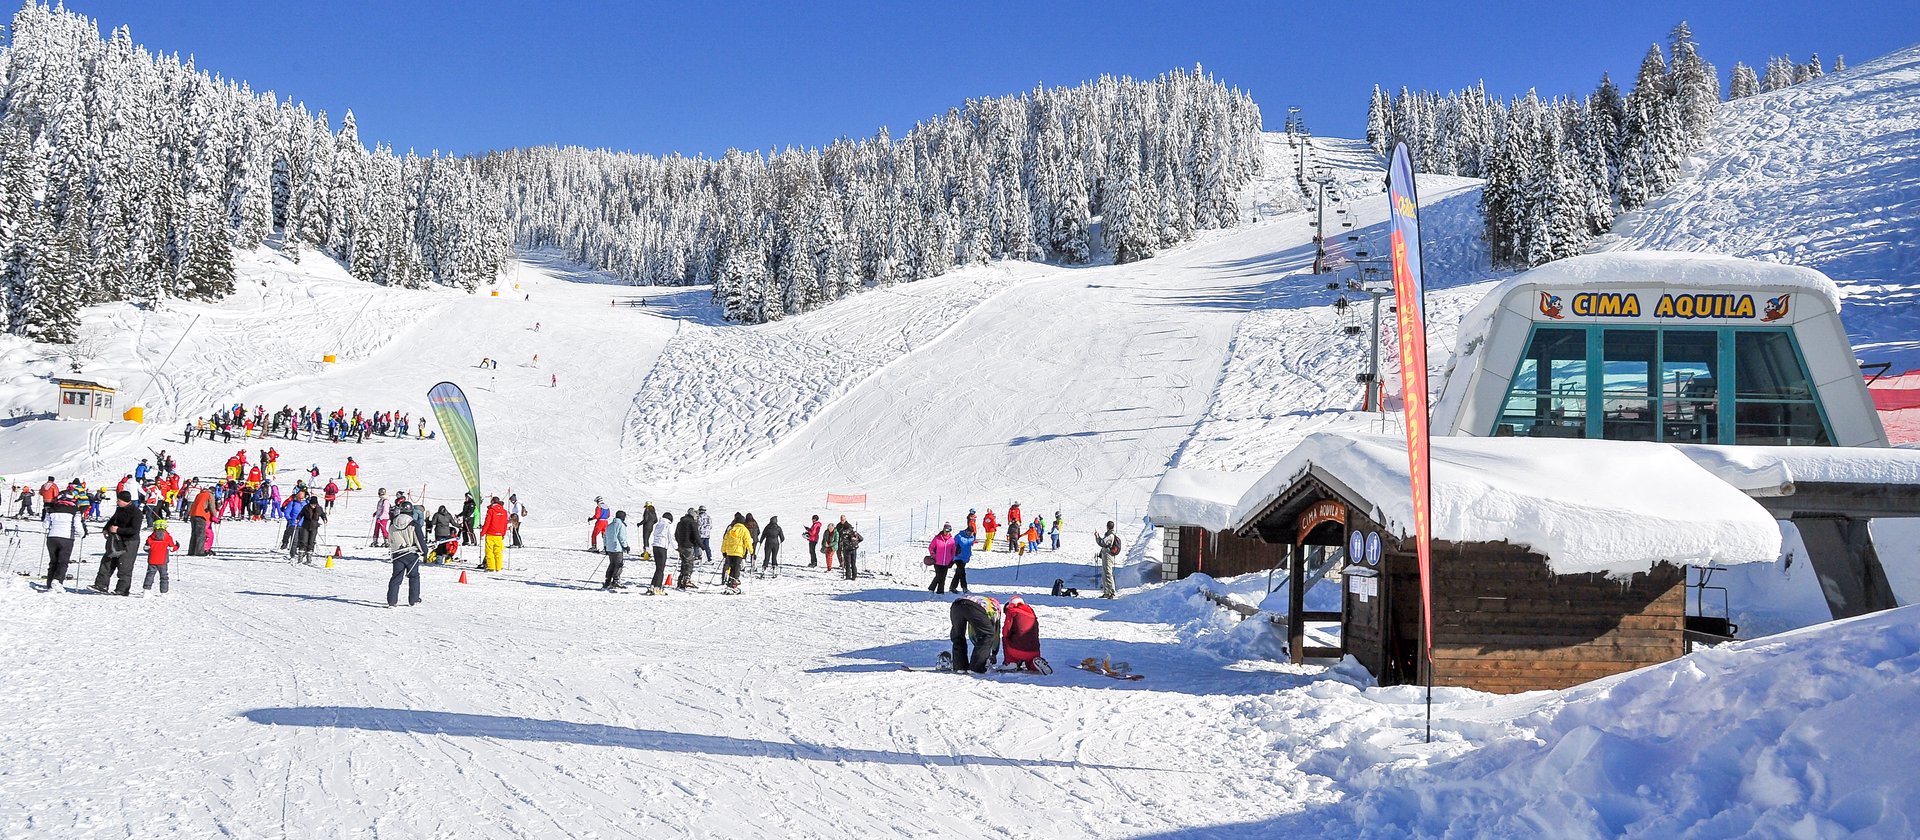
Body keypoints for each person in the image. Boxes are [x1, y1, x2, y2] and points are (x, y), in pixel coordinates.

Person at [92, 490, 141, 595]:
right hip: (115, 540)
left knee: (125, 565)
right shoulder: (119, 509)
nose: (117, 502)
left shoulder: (136, 512)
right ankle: (101, 585)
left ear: (126, 501)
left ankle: (122, 589)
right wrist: (106, 528)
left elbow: (134, 530)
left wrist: (118, 530)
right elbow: (112, 520)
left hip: (130, 542)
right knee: (107, 560)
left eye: (119, 500)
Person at [386, 499, 429, 608]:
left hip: (397, 554)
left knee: (396, 578)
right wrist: (424, 551)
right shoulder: (413, 524)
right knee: (414, 576)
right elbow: (419, 539)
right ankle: (413, 600)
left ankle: (392, 601)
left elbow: (390, 538)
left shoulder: (393, 523)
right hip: (411, 554)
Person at [42, 490, 85, 592]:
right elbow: (78, 526)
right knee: (63, 562)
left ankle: (50, 584)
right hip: (66, 538)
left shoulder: (51, 509)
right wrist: (82, 534)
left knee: (53, 561)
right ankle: (57, 581)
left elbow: (45, 525)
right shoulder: (75, 510)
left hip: (52, 538)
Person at [949, 595, 1002, 674]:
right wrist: (994, 653)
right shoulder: (995, 609)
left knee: (958, 636)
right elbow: (995, 633)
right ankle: (976, 667)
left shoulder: (985, 601)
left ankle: (960, 666)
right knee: (988, 635)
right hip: (972, 607)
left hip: (956, 605)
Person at [1000, 597, 1048, 672]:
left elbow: (1006, 631)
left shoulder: (1012, 611)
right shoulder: (1031, 613)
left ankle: (1010, 662)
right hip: (1034, 650)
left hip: (1017, 650)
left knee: (1005, 638)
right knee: (1030, 662)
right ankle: (1034, 664)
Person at [141, 519, 180, 595]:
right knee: (164, 576)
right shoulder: (168, 537)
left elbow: (146, 548)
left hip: (152, 560)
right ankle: (164, 592)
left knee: (150, 574)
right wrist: (177, 546)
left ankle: (146, 590)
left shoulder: (150, 537)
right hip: (163, 561)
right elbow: (172, 548)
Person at [720, 513, 752, 590]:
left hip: (729, 552)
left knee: (732, 567)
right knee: (737, 568)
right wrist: (751, 551)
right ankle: (734, 583)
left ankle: (730, 582)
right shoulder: (744, 530)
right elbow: (748, 541)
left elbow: (725, 540)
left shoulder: (731, 529)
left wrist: (723, 551)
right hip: (738, 552)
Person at [601, 510, 629, 590]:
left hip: (610, 548)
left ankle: (608, 580)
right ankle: (616, 581)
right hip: (617, 548)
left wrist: (605, 546)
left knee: (612, 564)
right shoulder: (621, 525)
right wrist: (626, 546)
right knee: (619, 564)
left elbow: (605, 536)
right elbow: (621, 537)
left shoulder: (610, 525)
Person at [674, 507, 700, 591]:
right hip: (689, 546)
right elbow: (696, 535)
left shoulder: (680, 523)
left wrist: (678, 543)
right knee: (689, 562)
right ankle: (686, 580)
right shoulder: (692, 523)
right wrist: (700, 545)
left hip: (681, 546)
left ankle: (680, 580)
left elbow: (676, 534)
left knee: (683, 562)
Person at [481, 496, 510, 572]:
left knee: (489, 551)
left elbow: (487, 523)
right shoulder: (504, 511)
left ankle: (491, 567)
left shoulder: (491, 510)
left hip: (490, 534)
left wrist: (482, 533)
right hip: (499, 535)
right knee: (498, 552)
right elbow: (505, 524)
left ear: (492, 502)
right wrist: (503, 534)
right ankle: (498, 567)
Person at [296, 494, 328, 561]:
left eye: (314, 504)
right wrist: (298, 518)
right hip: (305, 526)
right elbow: (301, 514)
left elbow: (323, 514)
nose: (313, 506)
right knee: (304, 541)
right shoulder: (306, 507)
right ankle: (300, 556)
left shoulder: (319, 509)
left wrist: (325, 519)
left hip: (314, 527)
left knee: (311, 542)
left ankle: (309, 557)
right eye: (312, 504)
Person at [1094, 521, 1121, 599]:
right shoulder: (1110, 535)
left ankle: (1112, 592)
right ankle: (1106, 592)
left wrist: (1097, 536)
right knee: (1104, 574)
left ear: (1107, 527)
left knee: (1108, 573)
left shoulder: (1110, 536)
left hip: (1108, 556)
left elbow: (1102, 543)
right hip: (1106, 555)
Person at [649, 511, 674, 593]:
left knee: (658, 568)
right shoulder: (668, 525)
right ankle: (658, 587)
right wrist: (677, 548)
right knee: (661, 569)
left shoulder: (658, 524)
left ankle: (652, 585)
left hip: (655, 546)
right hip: (662, 547)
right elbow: (671, 537)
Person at [927, 524, 957, 594]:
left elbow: (953, 551)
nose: (947, 532)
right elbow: (931, 547)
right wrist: (933, 555)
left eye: (949, 531)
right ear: (943, 530)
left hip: (946, 562)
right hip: (937, 561)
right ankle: (932, 588)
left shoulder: (951, 540)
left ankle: (940, 591)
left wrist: (952, 560)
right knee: (938, 576)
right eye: (946, 530)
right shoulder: (937, 538)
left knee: (943, 577)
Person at [188, 483, 214, 556]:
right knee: (201, 534)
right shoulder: (209, 495)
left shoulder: (199, 494)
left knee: (194, 534)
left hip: (193, 515)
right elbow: (212, 506)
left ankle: (191, 551)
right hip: (201, 515)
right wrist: (215, 516)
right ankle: (199, 551)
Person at [835, 517, 862, 581]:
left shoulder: (844, 534)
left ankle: (848, 576)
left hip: (847, 549)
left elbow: (842, 542)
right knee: (853, 563)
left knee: (847, 563)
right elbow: (861, 538)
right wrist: (856, 543)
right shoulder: (854, 532)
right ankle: (854, 576)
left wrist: (842, 547)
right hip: (854, 549)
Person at [952, 525, 976, 594]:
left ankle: (953, 587)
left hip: (965, 557)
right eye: (969, 532)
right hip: (958, 557)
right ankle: (964, 587)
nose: (970, 534)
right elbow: (953, 545)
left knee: (958, 573)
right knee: (962, 572)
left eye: (971, 533)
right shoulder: (959, 536)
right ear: (966, 531)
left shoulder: (972, 537)